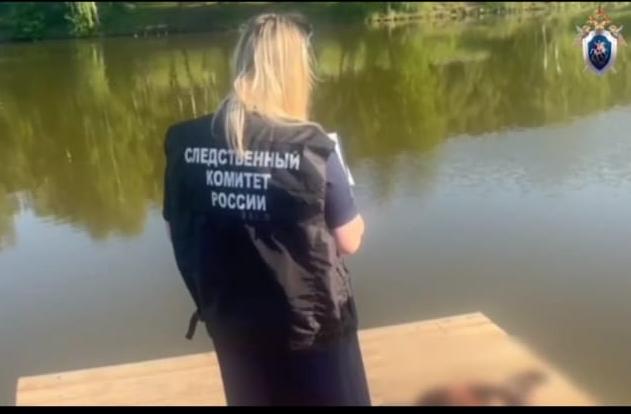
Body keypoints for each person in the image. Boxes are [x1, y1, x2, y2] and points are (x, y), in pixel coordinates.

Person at [163, 12, 370, 406]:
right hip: (311, 330)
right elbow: (349, 239)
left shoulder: (185, 143)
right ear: (295, 73)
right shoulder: (313, 147)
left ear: (241, 62)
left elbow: (178, 229)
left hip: (233, 324)